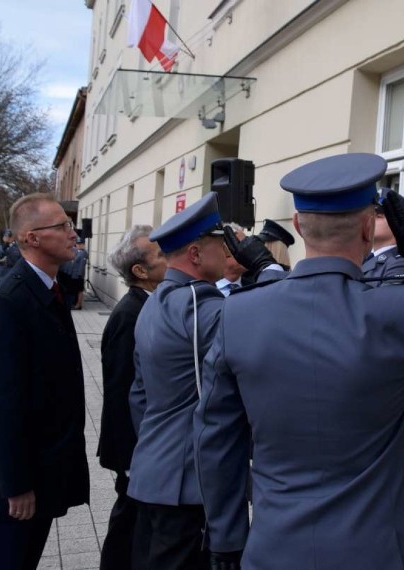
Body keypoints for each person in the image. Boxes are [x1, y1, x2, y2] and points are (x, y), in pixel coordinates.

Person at [194, 152, 404, 570]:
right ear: (369, 228)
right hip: (374, 550)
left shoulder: (237, 315)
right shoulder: (398, 313)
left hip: (276, 546)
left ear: (298, 225)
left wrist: (225, 538)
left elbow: (215, 440)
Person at [128, 192, 279, 570]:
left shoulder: (156, 301)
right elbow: (276, 331)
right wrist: (269, 268)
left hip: (155, 469)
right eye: (220, 244)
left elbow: (139, 396)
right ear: (196, 254)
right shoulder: (202, 307)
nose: (228, 252)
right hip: (191, 482)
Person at [0, 193, 89, 570]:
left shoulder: (49, 287)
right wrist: (15, 485)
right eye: (62, 226)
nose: (73, 234)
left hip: (42, 468)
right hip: (18, 481)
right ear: (32, 238)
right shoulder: (9, 302)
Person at [98, 225, 166, 570]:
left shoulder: (148, 306)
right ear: (140, 271)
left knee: (132, 520)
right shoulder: (131, 315)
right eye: (160, 255)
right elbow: (121, 390)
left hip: (138, 448)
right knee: (128, 521)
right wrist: (129, 457)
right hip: (132, 449)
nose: (169, 259)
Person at [362, 187, 404, 286]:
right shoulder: (363, 259)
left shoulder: (399, 265)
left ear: (397, 224)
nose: (371, 220)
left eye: (378, 217)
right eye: (370, 215)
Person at [215, 223, 248, 296]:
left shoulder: (256, 287)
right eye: (242, 245)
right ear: (224, 250)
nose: (248, 250)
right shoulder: (203, 292)